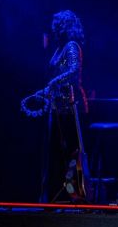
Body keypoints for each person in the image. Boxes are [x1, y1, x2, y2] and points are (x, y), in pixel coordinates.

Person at [32, 10, 88, 202]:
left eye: (57, 25)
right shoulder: (59, 48)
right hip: (58, 107)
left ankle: (76, 194)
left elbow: (74, 70)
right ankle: (57, 194)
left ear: (64, 27)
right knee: (56, 151)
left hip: (71, 107)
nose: (53, 29)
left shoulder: (71, 46)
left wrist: (53, 82)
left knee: (72, 151)